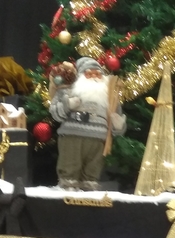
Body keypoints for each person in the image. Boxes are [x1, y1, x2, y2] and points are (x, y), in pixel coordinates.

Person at [49, 57, 126, 190]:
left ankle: (89, 186)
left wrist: (119, 125)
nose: (94, 77)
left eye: (98, 74)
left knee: (93, 169)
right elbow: (55, 112)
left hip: (98, 140)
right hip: (72, 137)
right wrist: (68, 105)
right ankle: (68, 186)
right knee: (70, 165)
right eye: (89, 74)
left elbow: (117, 120)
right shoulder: (67, 90)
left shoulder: (109, 97)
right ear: (80, 75)